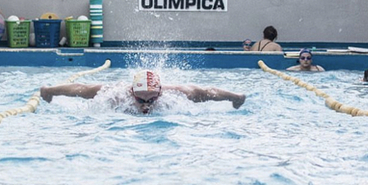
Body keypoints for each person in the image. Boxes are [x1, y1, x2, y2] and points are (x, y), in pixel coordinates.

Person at [40, 70, 246, 115]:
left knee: (198, 95)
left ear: (160, 92)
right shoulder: (118, 94)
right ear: (132, 92)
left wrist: (235, 98)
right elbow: (81, 89)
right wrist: (49, 91)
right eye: (140, 99)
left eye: (151, 99)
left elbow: (208, 91)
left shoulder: (176, 93)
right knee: (91, 92)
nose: (146, 105)